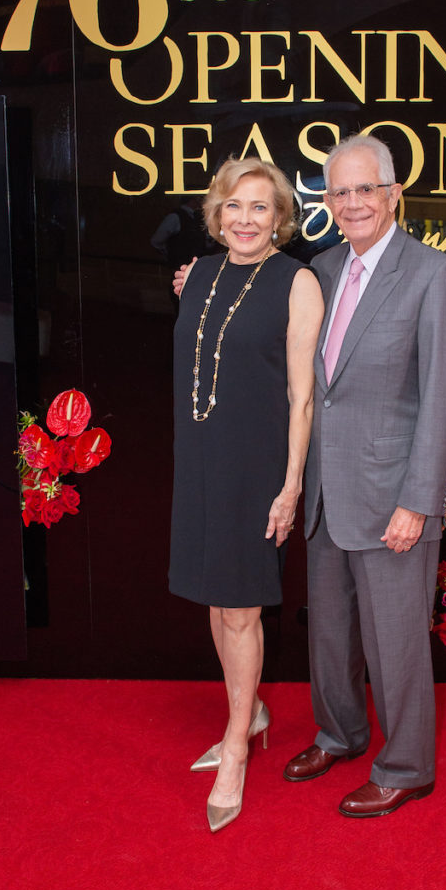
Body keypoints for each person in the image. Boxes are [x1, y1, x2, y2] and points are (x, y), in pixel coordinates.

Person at [282, 133, 446, 818]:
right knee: (329, 635)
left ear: (395, 194)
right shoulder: (322, 269)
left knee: (395, 646)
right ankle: (341, 733)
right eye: (340, 191)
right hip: (329, 494)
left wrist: (418, 501)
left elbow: (444, 397)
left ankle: (408, 765)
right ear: (326, 201)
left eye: (367, 188)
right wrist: (196, 279)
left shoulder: (432, 274)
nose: (353, 202)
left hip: (394, 497)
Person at [168, 156, 324, 833]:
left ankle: (236, 744)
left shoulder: (298, 282)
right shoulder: (194, 276)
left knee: (240, 610)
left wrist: (290, 486)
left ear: (279, 218)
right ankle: (251, 709)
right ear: (217, 213)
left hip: (256, 467)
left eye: (261, 207)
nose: (246, 219)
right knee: (214, 596)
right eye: (235, 205)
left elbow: (302, 397)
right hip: (199, 460)